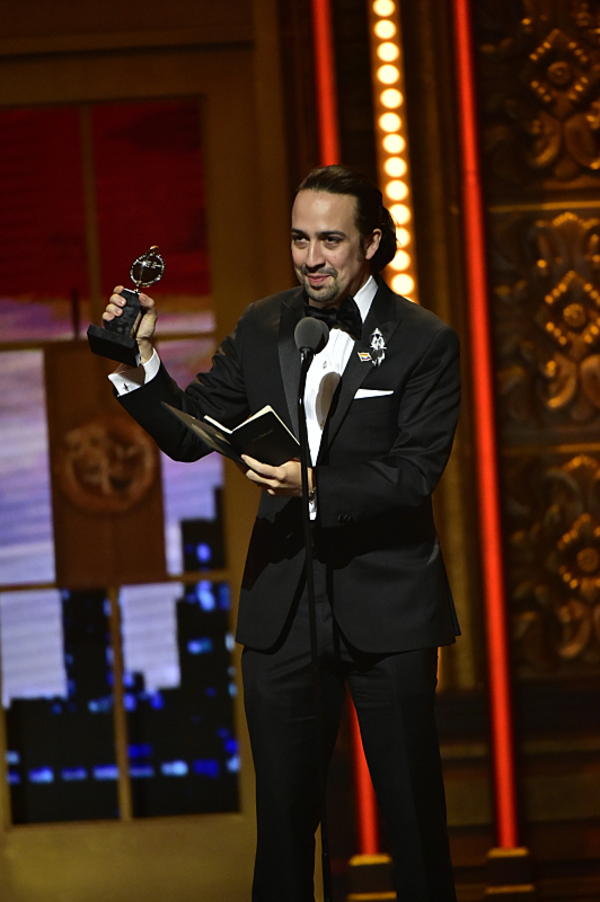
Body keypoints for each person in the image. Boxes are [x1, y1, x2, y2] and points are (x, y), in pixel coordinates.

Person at [103, 164, 460, 901]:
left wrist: (315, 483)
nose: (311, 257)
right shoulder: (264, 324)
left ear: (372, 243)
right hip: (283, 610)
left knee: (414, 825)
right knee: (285, 834)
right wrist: (140, 360)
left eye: (330, 240)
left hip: (389, 608)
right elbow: (191, 432)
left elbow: (414, 472)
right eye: (300, 239)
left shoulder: (424, 340)